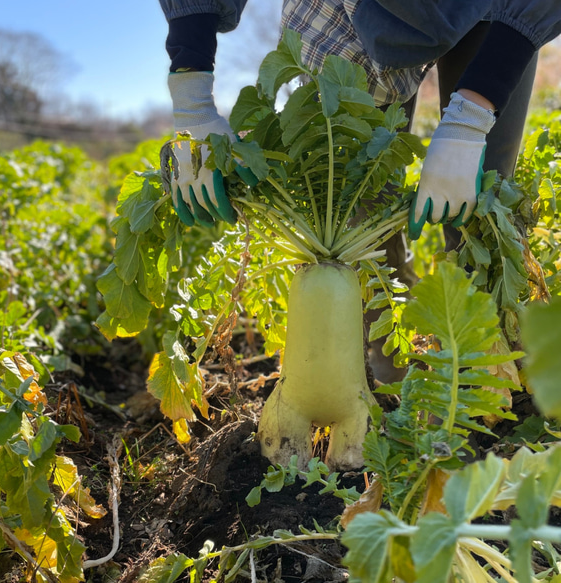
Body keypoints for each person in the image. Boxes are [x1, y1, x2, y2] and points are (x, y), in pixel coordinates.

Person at [158, 1, 561, 382]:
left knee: (482, 199)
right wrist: (191, 96)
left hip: (495, 11)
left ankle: (480, 372)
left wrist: (471, 118)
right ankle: (391, 352)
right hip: (355, 12)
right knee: (358, 192)